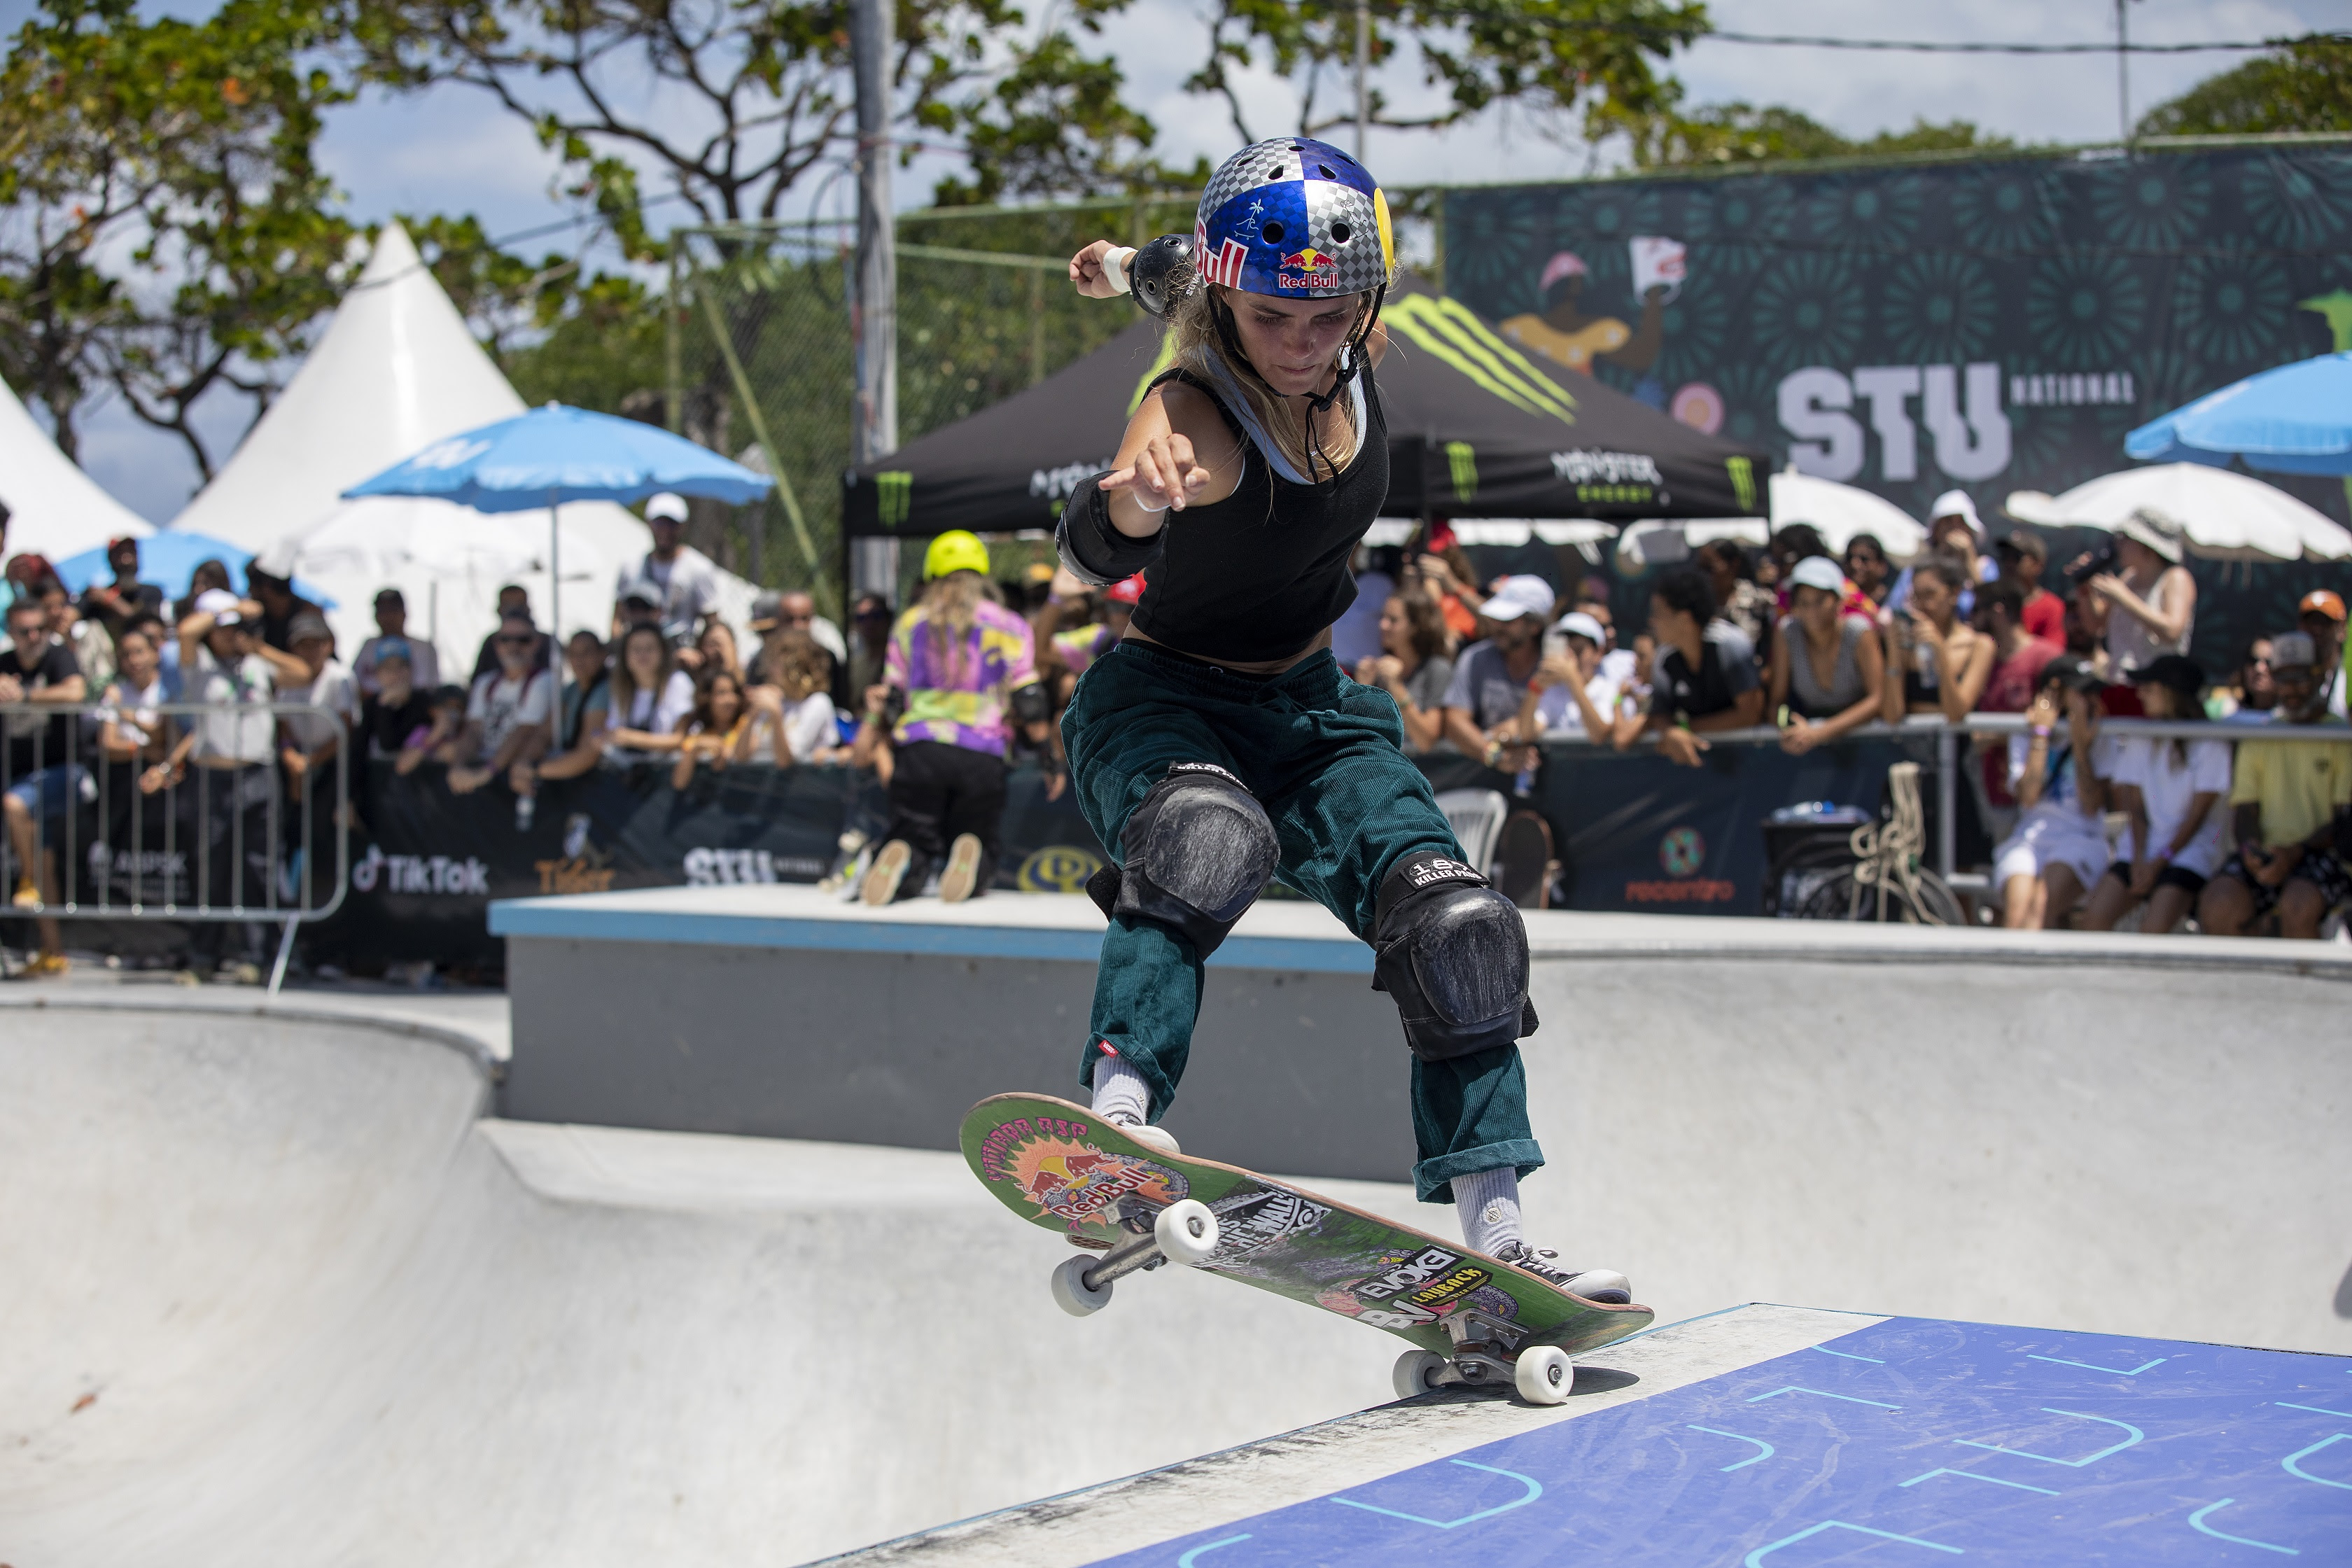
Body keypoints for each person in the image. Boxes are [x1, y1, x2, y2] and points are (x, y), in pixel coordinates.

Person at [1053, 140, 1626, 1303]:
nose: (1306, 344)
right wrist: (1132, 504)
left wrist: (1113, 264)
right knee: (1198, 843)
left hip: (1318, 713)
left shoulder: (1291, 298)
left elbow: (1162, 266)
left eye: (1333, 316)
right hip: (1166, 701)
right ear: (1224, 297)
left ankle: (1498, 1230)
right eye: (1273, 320)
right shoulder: (1188, 403)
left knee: (1455, 921)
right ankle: (1119, 1110)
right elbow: (1088, 554)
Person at [860, 531, 1048, 905]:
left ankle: (904, 852)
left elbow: (893, 698)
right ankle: (972, 851)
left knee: (915, 830)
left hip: (920, 747)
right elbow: (1029, 699)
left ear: (932, 575)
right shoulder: (1010, 625)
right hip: (982, 750)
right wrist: (1047, 755)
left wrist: (883, 736)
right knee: (977, 829)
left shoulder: (911, 622)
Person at [2197, 632, 2352, 940]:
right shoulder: (2262, 734)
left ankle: (2307, 990)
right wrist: (2251, 850)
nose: (2291, 688)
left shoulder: (2340, 735)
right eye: (2283, 678)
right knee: (2218, 901)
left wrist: (2293, 854)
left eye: (2299, 678)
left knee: (2298, 904)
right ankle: (2236, 989)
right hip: (2271, 854)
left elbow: (2343, 824)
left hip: (2323, 856)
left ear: (2318, 677)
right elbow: (2244, 809)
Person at [156, 592, 279, 981]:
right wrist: (228, 613)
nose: (231, 637)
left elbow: (300, 675)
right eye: (225, 632)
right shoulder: (200, 667)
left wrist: (253, 638)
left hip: (256, 773)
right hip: (212, 776)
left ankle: (256, 956)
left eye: (236, 632)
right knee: (212, 867)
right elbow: (187, 634)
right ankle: (203, 955)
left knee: (257, 867)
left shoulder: (259, 663)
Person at [2078, 654, 2230, 936]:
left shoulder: (2211, 743)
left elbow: (2197, 817)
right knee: (2093, 920)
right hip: (2142, 850)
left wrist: (2159, 862)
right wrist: (2139, 859)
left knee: (2154, 930)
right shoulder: (2142, 734)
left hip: (2191, 852)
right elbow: (2135, 807)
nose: (2140, 693)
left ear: (2172, 693)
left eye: (2149, 687)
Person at [1989, 654, 2115, 930]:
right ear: (2053, 692)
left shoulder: (2099, 735)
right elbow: (2029, 796)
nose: (2089, 699)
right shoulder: (2027, 732)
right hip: (2031, 837)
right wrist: (2041, 736)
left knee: (2040, 906)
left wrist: (2081, 747)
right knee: (2016, 917)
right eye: (2081, 692)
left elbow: (2092, 805)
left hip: (2081, 836)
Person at [1, 593, 87, 974]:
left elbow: (76, 692)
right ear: (10, 633)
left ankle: (28, 883)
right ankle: (53, 952)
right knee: (42, 857)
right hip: (21, 777)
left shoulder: (58, 656)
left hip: (64, 773)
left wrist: (27, 696)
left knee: (15, 805)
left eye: (40, 628)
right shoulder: (3, 664)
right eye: (25, 631)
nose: (35, 636)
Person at [1642, 566, 1764, 768]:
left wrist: (1686, 730)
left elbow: (1750, 713)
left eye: (1659, 613)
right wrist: (1671, 732)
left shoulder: (1731, 646)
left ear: (1685, 619)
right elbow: (1659, 714)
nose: (1652, 622)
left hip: (1752, 762)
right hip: (1703, 768)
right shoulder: (1664, 658)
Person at [1768, 556, 1886, 754]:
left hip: (1868, 749)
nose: (1811, 610)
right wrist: (1787, 727)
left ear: (1839, 600)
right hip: (1811, 751)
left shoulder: (1860, 631)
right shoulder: (1786, 632)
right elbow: (1777, 703)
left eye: (1820, 600)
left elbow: (1879, 699)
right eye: (1803, 602)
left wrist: (1819, 733)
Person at [1440, 575, 1555, 770]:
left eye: (1508, 620)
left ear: (1535, 626)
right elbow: (1454, 721)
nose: (1497, 626)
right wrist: (1498, 756)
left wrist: (1510, 732)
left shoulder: (1556, 664)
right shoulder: (1475, 658)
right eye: (1496, 618)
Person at [449, 615, 552, 802]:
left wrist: (487, 773)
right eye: (505, 639)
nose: (513, 646)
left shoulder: (545, 681)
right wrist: (458, 767)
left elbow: (525, 732)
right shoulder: (485, 683)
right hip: (483, 777)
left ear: (536, 643)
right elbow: (473, 730)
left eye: (523, 640)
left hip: (516, 778)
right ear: (496, 644)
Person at [2083, 507, 2195, 676]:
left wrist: (2124, 599)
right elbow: (2095, 626)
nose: (2119, 544)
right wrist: (2084, 590)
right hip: (2120, 684)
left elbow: (2172, 631)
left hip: (2158, 688)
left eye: (2126, 538)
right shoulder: (2128, 578)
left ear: (2147, 545)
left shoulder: (2175, 578)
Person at [1882, 556, 1992, 724]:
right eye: (1916, 597)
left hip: (1954, 746)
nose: (1923, 605)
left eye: (1930, 594)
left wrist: (1939, 651)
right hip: (1910, 746)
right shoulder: (1908, 646)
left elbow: (1957, 713)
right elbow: (1892, 715)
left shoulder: (1979, 645)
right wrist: (1895, 652)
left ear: (1955, 593)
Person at [1354, 587, 1453, 753]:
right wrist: (1364, 689)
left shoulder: (1437, 669)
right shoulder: (1377, 671)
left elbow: (1426, 740)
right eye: (1383, 617)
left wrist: (1397, 687)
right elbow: (1361, 736)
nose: (1383, 625)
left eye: (1393, 620)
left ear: (1415, 627)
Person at [274, 610, 358, 808]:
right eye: (303, 645)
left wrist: (311, 762)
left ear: (328, 645)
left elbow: (345, 726)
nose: (310, 651)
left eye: (316, 644)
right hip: (296, 761)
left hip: (333, 763)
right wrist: (291, 758)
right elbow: (283, 725)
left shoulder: (340, 677)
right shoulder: (286, 680)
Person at [515, 631, 615, 792]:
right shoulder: (570, 691)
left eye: (586, 653)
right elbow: (543, 734)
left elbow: (587, 755)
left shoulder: (605, 691)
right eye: (573, 654)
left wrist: (535, 770)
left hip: (595, 783)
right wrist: (524, 763)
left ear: (602, 655)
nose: (579, 660)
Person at [619, 493, 722, 649]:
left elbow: (712, 622)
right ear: (649, 523)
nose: (665, 530)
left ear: (683, 526)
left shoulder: (699, 569)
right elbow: (618, 618)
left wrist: (697, 653)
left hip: (680, 653)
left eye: (672, 523)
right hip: (639, 653)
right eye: (660, 523)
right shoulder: (631, 567)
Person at [1522, 610, 1632, 743]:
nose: (1570, 658)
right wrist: (1535, 686)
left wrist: (1572, 679)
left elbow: (1600, 735)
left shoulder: (1610, 691)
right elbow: (1527, 734)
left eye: (1578, 651)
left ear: (1599, 653)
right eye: (1566, 650)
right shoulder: (1552, 692)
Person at [746, 629, 843, 763]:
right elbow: (741, 756)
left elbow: (788, 760)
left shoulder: (818, 703)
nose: (769, 669)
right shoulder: (775, 701)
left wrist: (776, 714)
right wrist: (753, 713)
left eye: (776, 662)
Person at [602, 622, 695, 760]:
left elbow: (681, 739)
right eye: (636, 649)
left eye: (650, 648)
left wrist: (630, 738)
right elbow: (611, 733)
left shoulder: (678, 682)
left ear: (663, 652)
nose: (642, 654)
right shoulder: (620, 687)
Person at [671, 667, 759, 789]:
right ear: (706, 698)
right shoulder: (699, 734)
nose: (731, 699)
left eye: (734, 692)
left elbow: (744, 753)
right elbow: (679, 783)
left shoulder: (746, 724)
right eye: (722, 693)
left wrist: (726, 750)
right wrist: (695, 749)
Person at [354, 589, 442, 696]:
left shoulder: (425, 649)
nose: (386, 617)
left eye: (392, 610)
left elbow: (430, 690)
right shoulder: (368, 645)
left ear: (404, 613)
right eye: (382, 611)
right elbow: (355, 686)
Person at [356, 640, 435, 760]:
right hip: (379, 775)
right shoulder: (371, 705)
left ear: (411, 669)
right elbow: (379, 745)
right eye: (388, 668)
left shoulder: (425, 702)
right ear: (378, 673)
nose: (395, 674)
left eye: (401, 666)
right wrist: (385, 705)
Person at [79, 536, 165, 643]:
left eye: (131, 552)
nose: (127, 560)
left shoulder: (152, 592)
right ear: (110, 560)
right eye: (120, 554)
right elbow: (71, 615)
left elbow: (147, 626)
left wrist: (110, 600)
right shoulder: (96, 597)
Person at [1993, 528, 2066, 645]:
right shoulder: (1994, 603)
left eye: (2016, 556)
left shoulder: (2052, 607)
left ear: (2038, 565)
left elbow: (2052, 653)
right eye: (2005, 555)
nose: (2009, 562)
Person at [1698, 538, 1772, 655]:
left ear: (1734, 564)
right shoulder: (1697, 606)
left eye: (1710, 568)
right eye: (1701, 569)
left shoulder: (1759, 601)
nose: (1705, 575)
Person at [2297, 589, 2347, 720]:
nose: (2317, 629)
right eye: (2311, 622)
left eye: (2326, 622)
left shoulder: (2348, 678)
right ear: (2300, 627)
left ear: (2342, 629)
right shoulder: (2288, 680)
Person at [2211, 635, 2279, 723]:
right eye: (2253, 660)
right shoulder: (2220, 711)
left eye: (2269, 662)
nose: (2259, 668)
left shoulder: (2292, 717)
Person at [1842, 533, 1893, 612]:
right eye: (1850, 558)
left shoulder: (1891, 605)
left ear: (1882, 566)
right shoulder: (1838, 597)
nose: (1854, 564)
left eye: (1864, 559)